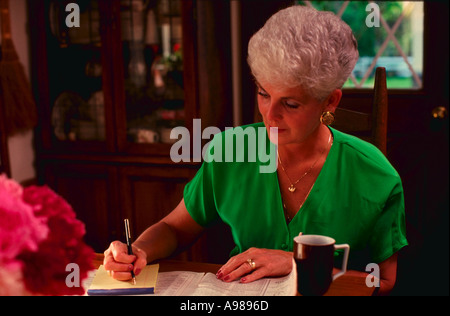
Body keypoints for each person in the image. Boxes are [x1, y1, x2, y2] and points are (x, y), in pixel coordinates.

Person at [103, 5, 407, 295]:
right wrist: (138, 251)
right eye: (264, 93)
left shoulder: (375, 175)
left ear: (330, 101)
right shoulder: (231, 150)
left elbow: (385, 280)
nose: (270, 115)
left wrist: (294, 263)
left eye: (290, 103)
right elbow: (174, 228)